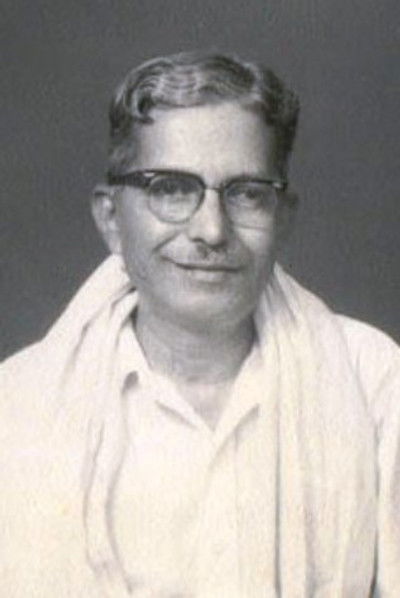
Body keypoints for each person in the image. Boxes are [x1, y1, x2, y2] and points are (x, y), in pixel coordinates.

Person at [1, 52, 399, 598]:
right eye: (170, 189)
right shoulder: (18, 407)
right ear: (111, 218)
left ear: (282, 217)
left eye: (247, 193)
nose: (211, 229)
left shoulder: (373, 384)